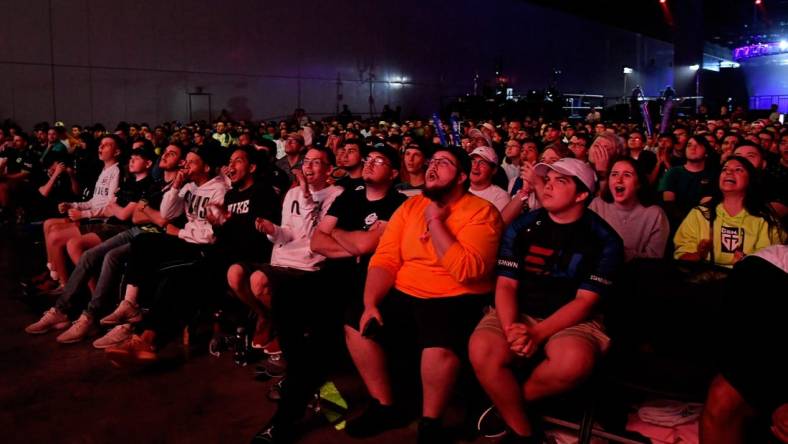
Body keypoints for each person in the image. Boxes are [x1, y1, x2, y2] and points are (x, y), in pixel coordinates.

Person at [344, 145, 503, 442]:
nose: (432, 166)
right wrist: (371, 303)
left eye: (444, 163)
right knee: (355, 319)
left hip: (456, 295)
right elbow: (385, 259)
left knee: (438, 337)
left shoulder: (482, 212)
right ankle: (384, 405)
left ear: (461, 177)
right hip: (407, 291)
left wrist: (435, 221)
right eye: (432, 161)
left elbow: (466, 270)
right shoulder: (409, 206)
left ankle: (431, 423)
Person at [251, 144, 405, 443]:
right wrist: (350, 241)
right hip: (330, 276)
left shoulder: (398, 205)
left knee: (320, 342)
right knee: (284, 298)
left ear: (395, 172)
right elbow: (317, 243)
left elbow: (362, 246)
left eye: (380, 160)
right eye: (369, 159)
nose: (371, 163)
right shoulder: (350, 197)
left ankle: (284, 419)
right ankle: (309, 382)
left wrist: (339, 236)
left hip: (368, 282)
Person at [469, 157, 623, 443]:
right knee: (482, 347)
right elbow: (505, 285)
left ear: (581, 195)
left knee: (573, 360)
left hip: (573, 319)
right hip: (519, 310)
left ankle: (510, 404)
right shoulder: (523, 226)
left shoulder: (604, 239)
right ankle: (523, 433)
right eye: (547, 180)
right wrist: (511, 328)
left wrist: (537, 334)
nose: (548, 186)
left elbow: (585, 302)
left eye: (559, 182)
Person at [700, 245, 788, 444]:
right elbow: (737, 346)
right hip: (776, 373)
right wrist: (775, 400)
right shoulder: (765, 266)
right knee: (723, 395)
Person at [673, 156, 784, 268]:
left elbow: (770, 262)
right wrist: (699, 255)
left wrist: (746, 264)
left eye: (738, 169)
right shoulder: (699, 213)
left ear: (750, 179)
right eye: (725, 169)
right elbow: (682, 257)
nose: (729, 172)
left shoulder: (765, 219)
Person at [590, 157, 669, 261]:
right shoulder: (597, 205)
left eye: (627, 175)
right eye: (614, 174)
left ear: (639, 184)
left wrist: (622, 254)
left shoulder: (656, 215)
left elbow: (655, 259)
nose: (619, 180)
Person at [468, 146, 510, 212]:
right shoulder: (459, 190)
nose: (475, 167)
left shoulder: (500, 196)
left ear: (494, 170)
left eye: (482, 163)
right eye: (473, 161)